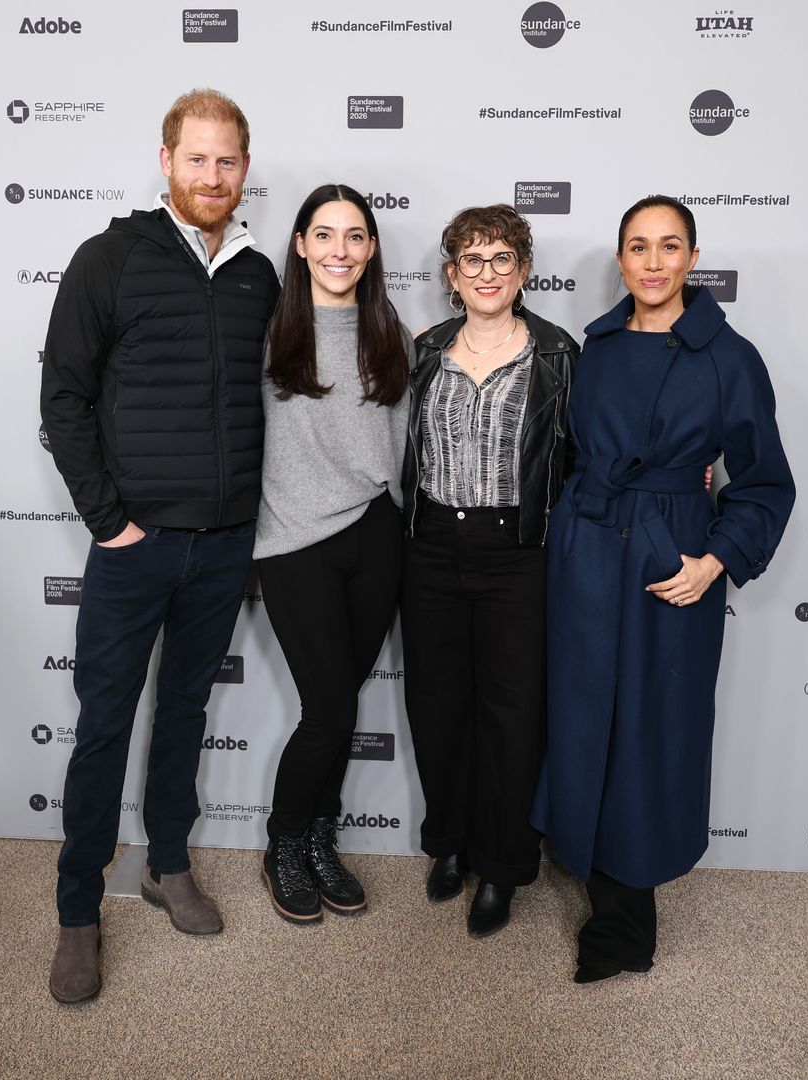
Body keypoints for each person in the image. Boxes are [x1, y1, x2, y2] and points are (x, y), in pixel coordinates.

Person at [40, 89, 279, 1003]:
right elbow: (63, 398)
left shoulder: (261, 271)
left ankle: (168, 863)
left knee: (184, 712)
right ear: (168, 160)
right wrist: (110, 522)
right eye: (197, 160)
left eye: (228, 162)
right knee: (104, 726)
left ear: (243, 170)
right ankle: (77, 910)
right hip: (134, 545)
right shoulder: (109, 259)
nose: (212, 177)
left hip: (223, 546)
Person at [532, 195, 795, 983]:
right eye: (638, 246)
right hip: (583, 548)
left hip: (670, 558)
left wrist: (715, 562)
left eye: (669, 246)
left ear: (692, 257)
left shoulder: (729, 356)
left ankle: (625, 917)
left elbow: (764, 483)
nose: (652, 261)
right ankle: (577, 853)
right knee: (578, 712)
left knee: (653, 727)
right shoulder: (597, 346)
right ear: (620, 260)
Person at [399, 205, 579, 938]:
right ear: (451, 275)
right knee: (438, 706)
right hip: (432, 545)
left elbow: (588, 455)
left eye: (502, 258)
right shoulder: (424, 351)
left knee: (511, 714)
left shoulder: (559, 355)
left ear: (525, 271)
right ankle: (449, 845)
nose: (487, 273)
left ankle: (503, 864)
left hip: (518, 552)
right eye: (472, 260)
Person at [254, 184, 410, 924]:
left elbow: (409, 446)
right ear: (301, 245)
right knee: (329, 708)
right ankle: (283, 842)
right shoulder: (270, 332)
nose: (339, 251)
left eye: (354, 236)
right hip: (293, 540)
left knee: (342, 708)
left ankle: (321, 835)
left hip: (376, 536)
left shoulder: (394, 335)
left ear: (371, 249)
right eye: (325, 235)